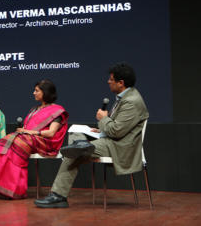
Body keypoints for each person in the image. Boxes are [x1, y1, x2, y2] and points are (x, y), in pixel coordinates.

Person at [35, 62, 149, 208]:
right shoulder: (126, 97)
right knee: (77, 136)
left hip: (119, 146)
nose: (108, 81)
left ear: (121, 83)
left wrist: (103, 118)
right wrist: (101, 130)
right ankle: (79, 147)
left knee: (73, 152)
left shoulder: (131, 102)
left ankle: (58, 195)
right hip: (111, 140)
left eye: (111, 79)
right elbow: (118, 127)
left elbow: (116, 131)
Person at [0, 79, 68, 199]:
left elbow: (51, 133)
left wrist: (29, 132)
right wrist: (24, 131)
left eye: (37, 91)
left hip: (46, 142)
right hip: (30, 139)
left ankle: (15, 189)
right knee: (3, 143)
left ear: (45, 92)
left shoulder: (57, 110)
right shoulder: (34, 110)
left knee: (18, 145)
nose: (33, 93)